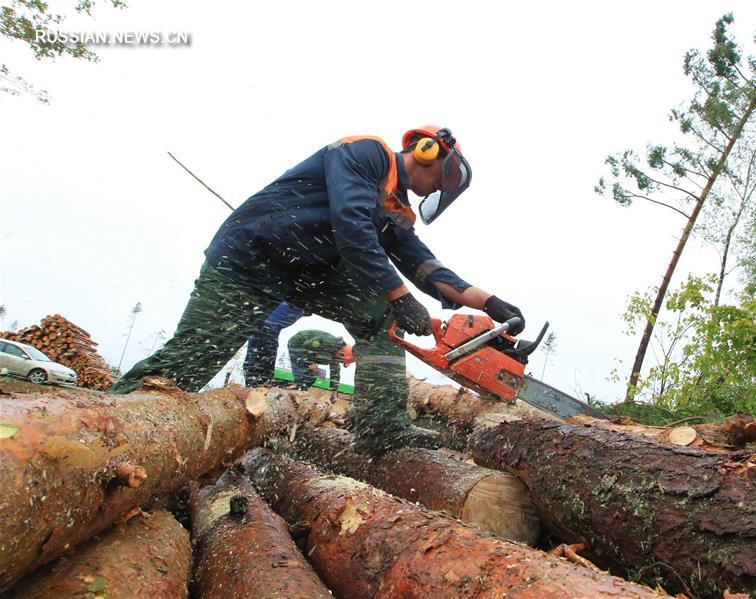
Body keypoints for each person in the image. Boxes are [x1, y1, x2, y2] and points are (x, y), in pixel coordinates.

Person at [109, 126, 525, 452]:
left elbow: (428, 268)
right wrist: (400, 297)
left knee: (379, 317)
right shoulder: (366, 153)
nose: (439, 187)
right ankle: (106, 422)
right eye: (445, 176)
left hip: (305, 272)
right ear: (427, 150)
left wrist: (490, 302)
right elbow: (351, 227)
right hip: (252, 256)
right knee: (194, 358)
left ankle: (381, 428)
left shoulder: (397, 213)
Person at [242, 301, 304, 387]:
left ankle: (259, 382)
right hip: (278, 301)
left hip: (293, 301)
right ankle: (257, 382)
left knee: (266, 328)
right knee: (262, 329)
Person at [286, 329, 354, 399]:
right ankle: (292, 390)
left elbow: (335, 375)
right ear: (341, 354)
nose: (339, 362)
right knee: (303, 374)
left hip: (309, 354)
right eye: (341, 361)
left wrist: (334, 393)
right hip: (297, 345)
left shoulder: (336, 356)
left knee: (317, 374)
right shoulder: (328, 342)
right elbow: (307, 345)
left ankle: (301, 392)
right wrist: (311, 362)